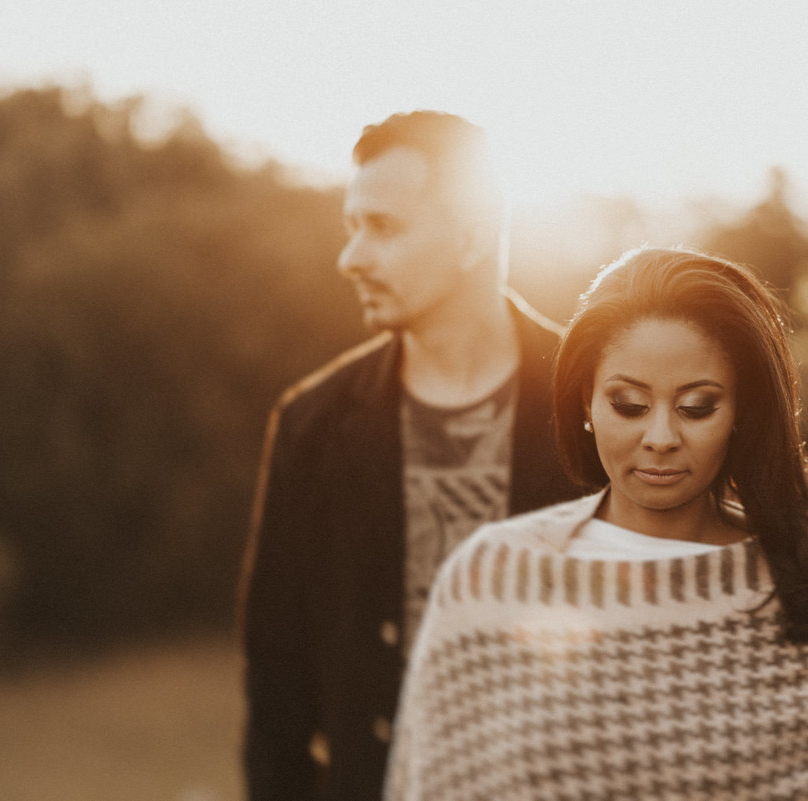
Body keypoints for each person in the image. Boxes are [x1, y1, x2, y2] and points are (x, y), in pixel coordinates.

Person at [386, 247, 808, 800]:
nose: (661, 438)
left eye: (697, 407)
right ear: (585, 402)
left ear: (743, 411)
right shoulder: (489, 577)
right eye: (630, 404)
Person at [238, 110, 578, 801]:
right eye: (352, 227)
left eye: (383, 227)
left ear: (471, 236)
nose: (351, 258)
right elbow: (277, 692)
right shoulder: (312, 425)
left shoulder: (598, 400)